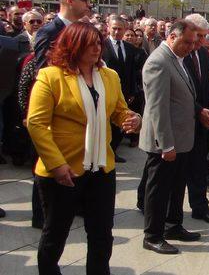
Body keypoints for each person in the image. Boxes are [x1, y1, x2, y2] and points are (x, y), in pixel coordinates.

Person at [27, 22, 141, 275]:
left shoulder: (109, 76)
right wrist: (56, 164)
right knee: (55, 233)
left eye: (99, 43)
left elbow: (120, 110)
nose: (96, 48)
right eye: (90, 44)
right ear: (72, 46)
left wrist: (132, 118)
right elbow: (36, 123)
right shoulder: (51, 76)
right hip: (63, 172)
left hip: (101, 168)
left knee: (102, 235)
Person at [139, 20, 204, 255]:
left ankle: (173, 225)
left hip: (181, 140)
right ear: (172, 36)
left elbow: (182, 95)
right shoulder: (158, 61)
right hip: (165, 143)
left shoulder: (177, 59)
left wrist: (198, 110)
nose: (191, 47)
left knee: (177, 187)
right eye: (187, 42)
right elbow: (157, 107)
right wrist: (166, 144)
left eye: (193, 42)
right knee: (158, 190)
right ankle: (153, 235)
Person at [181, 13, 209, 224]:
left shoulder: (205, 56)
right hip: (181, 121)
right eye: (200, 37)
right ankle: (146, 201)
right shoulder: (178, 56)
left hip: (202, 121)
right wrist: (198, 110)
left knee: (199, 167)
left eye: (206, 37)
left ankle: (200, 207)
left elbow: (206, 87)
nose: (203, 42)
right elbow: (180, 93)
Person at [102, 17, 144, 163]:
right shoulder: (102, 46)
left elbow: (132, 71)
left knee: (120, 124)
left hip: (125, 92)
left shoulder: (129, 48)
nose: (117, 31)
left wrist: (132, 91)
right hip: (106, 91)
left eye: (120, 28)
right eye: (114, 28)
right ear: (108, 28)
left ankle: (113, 150)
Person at [34, 0, 91, 71]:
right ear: (70, 1)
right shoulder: (49, 32)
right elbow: (43, 69)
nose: (89, 5)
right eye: (85, 1)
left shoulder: (83, 30)